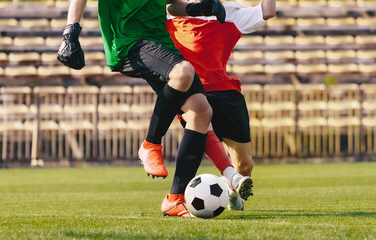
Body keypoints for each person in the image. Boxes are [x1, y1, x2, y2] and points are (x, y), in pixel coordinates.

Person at [58, 0, 226, 217]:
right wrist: (70, 33)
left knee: (201, 111)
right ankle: (151, 144)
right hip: (129, 41)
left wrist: (198, 8)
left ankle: (175, 199)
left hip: (161, 41)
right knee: (183, 72)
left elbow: (172, 6)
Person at [167, 0, 276, 210]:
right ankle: (178, 198)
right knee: (202, 127)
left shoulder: (229, 12)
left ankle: (231, 189)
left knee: (245, 165)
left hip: (225, 92)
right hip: (191, 91)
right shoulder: (171, 13)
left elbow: (268, 11)